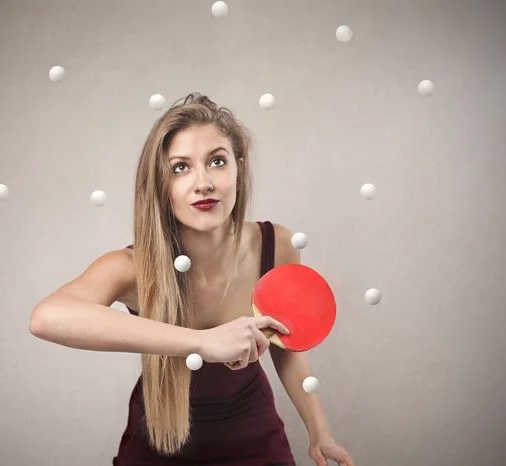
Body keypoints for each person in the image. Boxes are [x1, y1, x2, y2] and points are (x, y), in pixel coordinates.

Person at [29, 93, 355, 466]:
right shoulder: (133, 266)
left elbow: (286, 344)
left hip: (256, 436)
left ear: (239, 167)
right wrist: (202, 343)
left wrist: (319, 431)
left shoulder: (276, 245)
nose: (203, 183)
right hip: (159, 441)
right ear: (162, 183)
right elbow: (46, 317)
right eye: (180, 168)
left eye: (217, 161)